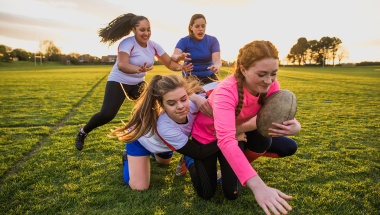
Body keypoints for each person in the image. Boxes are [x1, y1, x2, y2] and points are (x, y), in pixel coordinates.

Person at [186, 41, 301, 215]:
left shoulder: (271, 86)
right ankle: (188, 159)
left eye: (273, 74)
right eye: (262, 74)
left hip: (235, 135)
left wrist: (295, 125)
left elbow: (273, 114)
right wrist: (258, 186)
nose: (268, 81)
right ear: (243, 70)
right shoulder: (227, 91)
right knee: (206, 193)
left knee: (231, 193)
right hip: (207, 137)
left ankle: (231, 168)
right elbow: (225, 140)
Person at [75, 13, 193, 151]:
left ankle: (145, 141)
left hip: (138, 84)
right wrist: (138, 69)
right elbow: (122, 64)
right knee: (107, 114)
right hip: (119, 81)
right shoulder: (127, 43)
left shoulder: (154, 46)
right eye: (142, 30)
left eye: (148, 29)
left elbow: (169, 63)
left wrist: (180, 66)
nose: (146, 33)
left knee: (153, 110)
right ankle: (83, 132)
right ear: (134, 30)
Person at [110, 74, 245, 190]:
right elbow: (198, 152)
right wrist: (230, 136)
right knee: (140, 187)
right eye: (171, 103)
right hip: (142, 142)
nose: (180, 106)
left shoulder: (195, 103)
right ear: (162, 104)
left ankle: (178, 154)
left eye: (183, 99)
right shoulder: (165, 127)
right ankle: (127, 157)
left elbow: (226, 84)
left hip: (166, 144)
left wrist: (196, 98)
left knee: (164, 163)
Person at [171, 14, 221, 85]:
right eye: (197, 26)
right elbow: (174, 55)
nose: (200, 29)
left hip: (209, 76)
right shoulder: (184, 41)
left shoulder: (213, 40)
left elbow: (217, 60)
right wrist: (178, 57)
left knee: (218, 93)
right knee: (196, 95)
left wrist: (216, 66)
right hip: (190, 76)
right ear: (191, 27)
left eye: (203, 26)